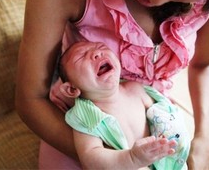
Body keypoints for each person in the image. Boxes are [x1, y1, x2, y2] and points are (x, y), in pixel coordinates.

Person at [15, 0, 209, 169]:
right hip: (85, 134)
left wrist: (203, 137)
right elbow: (30, 99)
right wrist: (119, 160)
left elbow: (203, 64)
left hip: (145, 119)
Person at [59, 41, 190, 170]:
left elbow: (164, 114)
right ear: (71, 89)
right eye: (81, 56)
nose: (97, 53)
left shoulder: (136, 89)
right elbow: (90, 159)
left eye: (101, 47)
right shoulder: (85, 116)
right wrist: (132, 159)